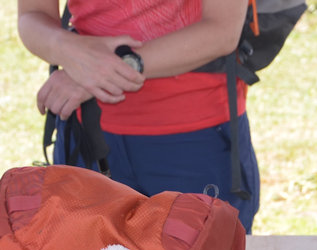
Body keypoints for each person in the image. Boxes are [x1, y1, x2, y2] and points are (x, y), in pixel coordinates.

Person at [17, 0, 260, 233]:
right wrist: (71, 51)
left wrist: (103, 70)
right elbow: (32, 14)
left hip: (195, 138)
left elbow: (222, 31)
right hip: (88, 132)